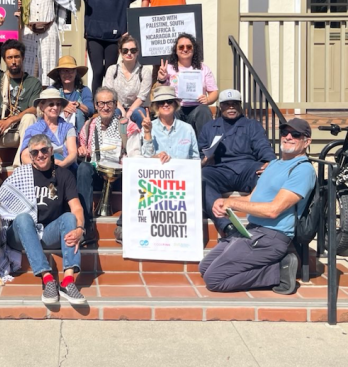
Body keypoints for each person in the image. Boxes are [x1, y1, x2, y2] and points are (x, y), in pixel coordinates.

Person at [199, 119, 316, 295]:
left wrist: (233, 202)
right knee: (204, 267)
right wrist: (223, 202)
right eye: (285, 133)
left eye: (296, 134)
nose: (288, 137)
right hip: (252, 231)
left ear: (307, 141)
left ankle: (278, 271)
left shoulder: (302, 170)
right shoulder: (274, 165)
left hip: (271, 236)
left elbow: (273, 210)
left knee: (214, 279)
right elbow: (252, 198)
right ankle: (270, 265)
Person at [0, 134, 87, 305]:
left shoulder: (64, 175)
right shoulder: (22, 174)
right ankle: (47, 278)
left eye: (44, 150)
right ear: (30, 156)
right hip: (20, 235)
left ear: (51, 151)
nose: (40, 155)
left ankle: (67, 281)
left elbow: (77, 208)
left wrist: (80, 229)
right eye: (35, 152)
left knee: (69, 217)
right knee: (23, 218)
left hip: (46, 234)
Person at [117, 85, 200, 244]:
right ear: (156, 107)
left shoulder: (187, 129)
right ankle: (125, 225)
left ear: (175, 105)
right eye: (161, 103)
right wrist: (148, 134)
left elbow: (195, 159)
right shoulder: (148, 127)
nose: (166, 105)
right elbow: (143, 160)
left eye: (169, 101)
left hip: (180, 187)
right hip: (156, 185)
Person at [198, 89, 276, 239]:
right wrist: (205, 159)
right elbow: (200, 154)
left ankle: (259, 223)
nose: (231, 107)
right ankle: (227, 226)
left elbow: (263, 146)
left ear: (240, 106)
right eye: (227, 104)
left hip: (247, 169)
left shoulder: (252, 125)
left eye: (235, 104)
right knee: (201, 177)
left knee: (265, 175)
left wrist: (269, 163)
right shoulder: (209, 127)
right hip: (220, 170)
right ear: (220, 107)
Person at [0, 16, 41, 190]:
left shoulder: (33, 82)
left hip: (21, 134)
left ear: (22, 58)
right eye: (10, 57)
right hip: (0, 133)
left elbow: (35, 108)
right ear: (5, 60)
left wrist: (12, 119)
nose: (13, 61)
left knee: (29, 117)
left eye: (17, 57)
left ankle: (19, 170)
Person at [72, 0, 146, 92]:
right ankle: (95, 104)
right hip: (94, 37)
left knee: (110, 72)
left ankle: (109, 102)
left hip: (114, 38)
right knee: (98, 71)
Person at [76, 87, 143, 243]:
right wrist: (81, 149)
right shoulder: (89, 125)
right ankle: (85, 226)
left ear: (115, 104)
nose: (105, 107)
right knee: (83, 169)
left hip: (119, 174)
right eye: (101, 103)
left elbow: (136, 154)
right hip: (97, 171)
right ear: (96, 105)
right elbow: (80, 147)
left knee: (135, 171)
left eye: (109, 103)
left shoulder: (127, 126)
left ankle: (124, 225)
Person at [20, 0, 80, 86]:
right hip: (28, 31)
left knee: (48, 69)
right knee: (28, 69)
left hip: (48, 31)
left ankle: (48, 101)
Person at [156, 33, 218, 138]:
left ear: (194, 50)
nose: (185, 49)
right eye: (181, 47)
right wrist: (161, 79)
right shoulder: (168, 69)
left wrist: (208, 100)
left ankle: (204, 151)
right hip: (177, 107)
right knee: (169, 111)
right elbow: (157, 91)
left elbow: (214, 92)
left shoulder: (203, 68)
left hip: (197, 107)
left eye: (189, 47)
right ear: (176, 50)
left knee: (204, 110)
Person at [19, 88, 79, 171]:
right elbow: (25, 156)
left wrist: (62, 164)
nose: (55, 107)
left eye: (58, 104)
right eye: (51, 104)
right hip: (39, 170)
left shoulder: (68, 127)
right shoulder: (33, 129)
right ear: (42, 106)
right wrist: (41, 167)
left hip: (65, 169)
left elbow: (73, 153)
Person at [103, 33, 153, 129]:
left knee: (139, 113)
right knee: (114, 113)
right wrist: (122, 110)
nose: (129, 53)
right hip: (117, 106)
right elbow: (111, 95)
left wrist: (129, 112)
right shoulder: (112, 70)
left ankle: (144, 140)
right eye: (125, 50)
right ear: (120, 52)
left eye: (133, 50)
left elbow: (142, 97)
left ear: (137, 52)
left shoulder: (144, 71)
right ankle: (112, 142)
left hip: (136, 107)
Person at [47, 55, 92, 133]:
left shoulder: (84, 90)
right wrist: (62, 108)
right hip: (55, 128)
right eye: (63, 71)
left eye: (71, 70)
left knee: (79, 113)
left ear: (76, 73)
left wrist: (77, 105)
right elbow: (43, 108)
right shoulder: (52, 90)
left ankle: (79, 142)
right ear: (59, 74)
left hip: (78, 130)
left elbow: (90, 109)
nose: (67, 74)